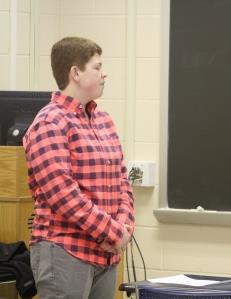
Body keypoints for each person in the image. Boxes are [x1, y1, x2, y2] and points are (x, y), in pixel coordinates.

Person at [23, 36, 134, 299]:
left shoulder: (103, 120)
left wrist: (125, 223)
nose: (103, 73)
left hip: (106, 255)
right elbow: (64, 195)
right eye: (97, 67)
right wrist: (112, 231)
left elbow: (121, 181)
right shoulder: (50, 123)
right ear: (75, 73)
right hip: (65, 251)